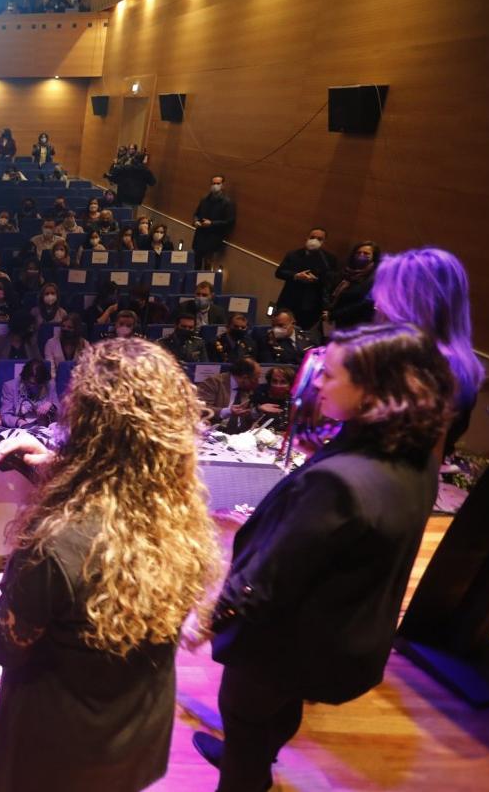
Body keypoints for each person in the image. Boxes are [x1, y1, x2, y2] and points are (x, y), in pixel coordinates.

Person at [194, 324, 454, 791]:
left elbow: (267, 583)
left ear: (374, 390)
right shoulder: (417, 461)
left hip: (284, 641)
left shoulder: (337, 483)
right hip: (334, 635)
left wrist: (206, 621)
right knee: (279, 707)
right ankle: (253, 752)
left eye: (330, 375)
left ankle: (246, 769)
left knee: (244, 715)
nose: (316, 382)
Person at [0, 337, 220, 791]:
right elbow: (122, 475)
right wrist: (58, 466)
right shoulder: (180, 512)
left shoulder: (56, 542)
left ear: (88, 426)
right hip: (133, 741)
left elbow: (6, 642)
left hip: (53, 755)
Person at [372, 247, 484, 452]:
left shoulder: (435, 370)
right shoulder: (440, 360)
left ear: (411, 303)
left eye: (386, 297)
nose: (378, 306)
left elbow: (390, 454)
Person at [275, 228, 337, 331]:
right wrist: (296, 275)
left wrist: (316, 280)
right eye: (312, 237)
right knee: (281, 329)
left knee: (302, 333)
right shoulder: (293, 254)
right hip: (289, 301)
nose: (315, 241)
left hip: (311, 306)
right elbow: (279, 272)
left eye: (319, 239)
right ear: (306, 238)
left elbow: (331, 280)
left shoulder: (329, 259)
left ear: (324, 242)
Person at [324, 240, 380, 331]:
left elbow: (364, 304)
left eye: (366, 253)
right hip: (334, 321)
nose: (361, 255)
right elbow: (330, 291)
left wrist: (334, 315)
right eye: (358, 253)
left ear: (373, 257)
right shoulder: (345, 273)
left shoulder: (373, 279)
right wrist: (327, 311)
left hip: (356, 324)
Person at [197, 357, 262, 432]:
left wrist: (258, 410)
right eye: (256, 379)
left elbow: (245, 417)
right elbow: (202, 409)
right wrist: (227, 411)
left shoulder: (247, 388)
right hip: (215, 433)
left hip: (241, 434)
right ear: (245, 378)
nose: (258, 382)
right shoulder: (213, 383)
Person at [191, 175, 236, 270]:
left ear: (223, 185)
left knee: (208, 265)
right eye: (213, 183)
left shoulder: (227, 202)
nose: (215, 186)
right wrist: (196, 221)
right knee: (196, 264)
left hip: (213, 237)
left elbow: (229, 221)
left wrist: (212, 223)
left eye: (218, 183)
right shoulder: (204, 199)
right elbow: (196, 214)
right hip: (200, 235)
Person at [0, 358, 59, 428]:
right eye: (32, 383)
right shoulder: (10, 387)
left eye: (39, 385)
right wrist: (19, 422)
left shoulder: (49, 385)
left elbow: (61, 411)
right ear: (24, 379)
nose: (35, 387)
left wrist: (51, 405)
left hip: (43, 427)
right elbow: (5, 415)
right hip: (20, 428)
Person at [250, 365, 295, 431]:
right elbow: (248, 417)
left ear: (290, 385)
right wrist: (258, 409)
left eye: (283, 382)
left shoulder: (296, 400)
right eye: (274, 381)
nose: (278, 385)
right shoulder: (259, 395)